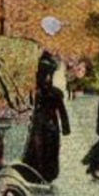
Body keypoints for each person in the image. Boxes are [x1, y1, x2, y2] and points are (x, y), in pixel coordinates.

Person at [22, 51, 71, 182]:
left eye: (48, 75)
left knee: (48, 150)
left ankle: (46, 174)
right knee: (37, 149)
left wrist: (66, 128)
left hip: (49, 126)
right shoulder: (34, 92)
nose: (46, 78)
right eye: (44, 75)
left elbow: (62, 111)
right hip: (39, 125)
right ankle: (35, 173)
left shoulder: (54, 93)